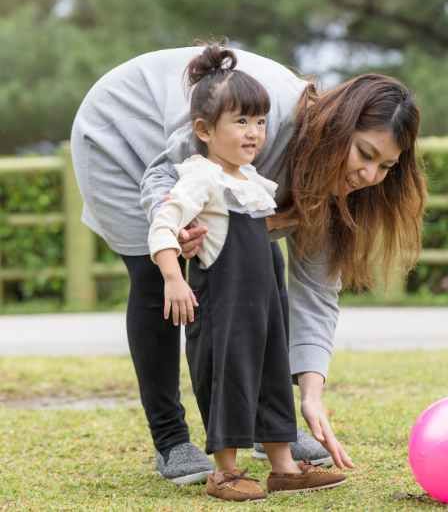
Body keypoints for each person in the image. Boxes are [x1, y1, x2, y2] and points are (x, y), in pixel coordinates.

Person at [70, 42, 425, 485]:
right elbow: (165, 173)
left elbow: (314, 290)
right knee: (155, 271)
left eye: (386, 166)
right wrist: (173, 224)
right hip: (120, 132)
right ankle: (172, 440)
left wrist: (312, 395)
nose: (370, 176)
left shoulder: (340, 184)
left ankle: (270, 429)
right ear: (338, 127)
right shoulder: (265, 119)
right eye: (365, 154)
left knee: (260, 275)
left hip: (170, 155)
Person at [148, 46, 347, 501]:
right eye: (241, 122)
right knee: (230, 379)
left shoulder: (253, 181)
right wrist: (173, 277)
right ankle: (226, 471)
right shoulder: (199, 179)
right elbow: (163, 223)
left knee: (272, 378)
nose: (255, 132)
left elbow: (268, 228)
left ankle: (284, 467)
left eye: (259, 121)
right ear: (203, 129)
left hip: (265, 308)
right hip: (225, 308)